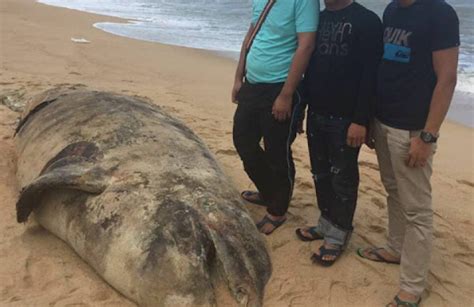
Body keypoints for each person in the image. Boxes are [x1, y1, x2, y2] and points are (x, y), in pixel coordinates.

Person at [357, 0, 460, 306]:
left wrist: (428, 136)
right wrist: (371, 120)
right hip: (383, 121)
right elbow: (387, 65)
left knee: (417, 210)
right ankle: (395, 248)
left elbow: (448, 78)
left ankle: (411, 289)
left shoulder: (440, 13)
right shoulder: (391, 10)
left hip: (413, 131)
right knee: (392, 191)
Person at [294, 0, 383, 266]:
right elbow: (307, 70)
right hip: (317, 112)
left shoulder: (367, 21)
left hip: (347, 119)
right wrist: (301, 110)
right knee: (320, 172)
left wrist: (361, 120)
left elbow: (371, 76)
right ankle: (325, 223)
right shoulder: (317, 19)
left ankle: (339, 233)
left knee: (342, 177)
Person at [232, 0, 319, 235]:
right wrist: (239, 77)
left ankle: (278, 209)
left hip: (280, 87)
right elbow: (251, 35)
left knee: (276, 150)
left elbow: (306, 46)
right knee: (243, 141)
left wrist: (286, 94)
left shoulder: (304, 2)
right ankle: (268, 191)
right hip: (253, 84)